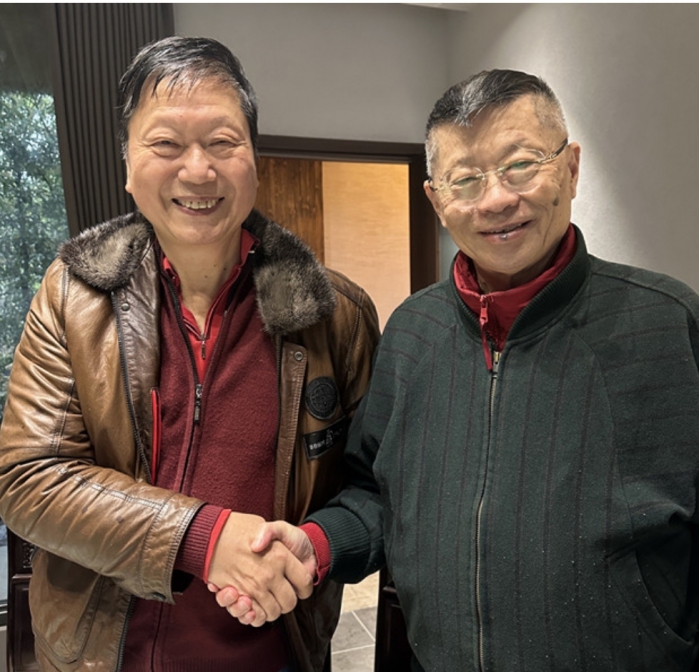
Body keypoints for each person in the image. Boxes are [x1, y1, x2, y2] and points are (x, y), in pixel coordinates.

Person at [220, 69, 699, 671]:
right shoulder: (412, 333)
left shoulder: (667, 325)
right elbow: (375, 493)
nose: (495, 199)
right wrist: (315, 544)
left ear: (571, 169)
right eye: (466, 179)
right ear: (437, 200)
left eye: (520, 165)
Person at [0, 36, 379, 672]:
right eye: (166, 144)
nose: (198, 170)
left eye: (223, 142)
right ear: (127, 162)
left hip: (273, 655)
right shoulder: (73, 294)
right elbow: (29, 478)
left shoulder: (335, 314)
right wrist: (203, 538)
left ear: (254, 159)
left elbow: (373, 490)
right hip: (98, 657)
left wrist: (315, 545)